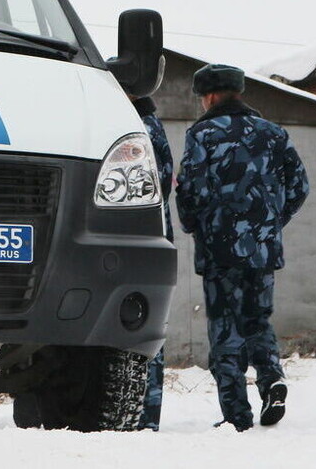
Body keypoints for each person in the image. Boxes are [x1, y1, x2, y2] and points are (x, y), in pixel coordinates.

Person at [175, 64, 308, 432]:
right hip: (262, 249)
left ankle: (236, 414)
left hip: (219, 249)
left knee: (224, 327)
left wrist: (193, 226)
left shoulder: (202, 134)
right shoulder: (274, 133)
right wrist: (271, 224)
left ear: (212, 96)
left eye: (203, 97)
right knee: (256, 319)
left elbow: (191, 191)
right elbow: (299, 186)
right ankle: (272, 379)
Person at [133, 95, 173, 431]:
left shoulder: (137, 126)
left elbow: (160, 183)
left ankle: (146, 416)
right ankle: (146, 415)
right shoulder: (152, 125)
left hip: (141, 237)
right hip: (151, 238)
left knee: (144, 328)